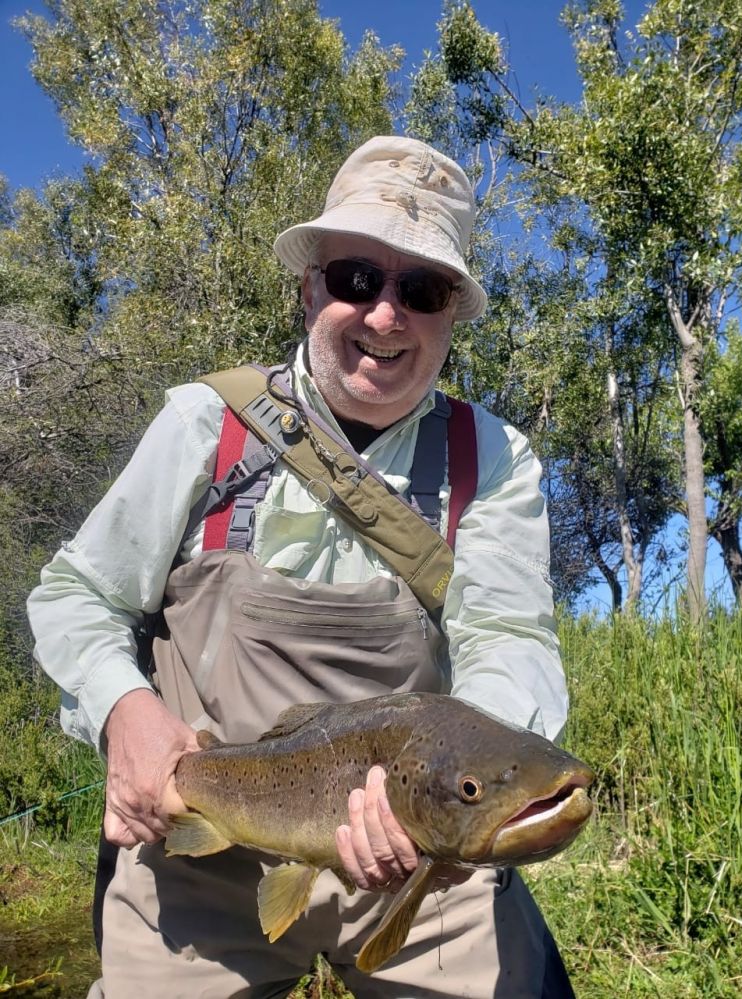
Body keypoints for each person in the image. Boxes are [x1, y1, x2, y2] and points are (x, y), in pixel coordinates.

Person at [27, 136, 573, 999]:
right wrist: (122, 708)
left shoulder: (492, 459)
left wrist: (452, 796)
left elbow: (507, 635)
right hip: (198, 848)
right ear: (311, 285)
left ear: (451, 315)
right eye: (358, 277)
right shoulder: (207, 424)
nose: (385, 315)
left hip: (419, 853)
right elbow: (77, 594)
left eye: (421, 289)